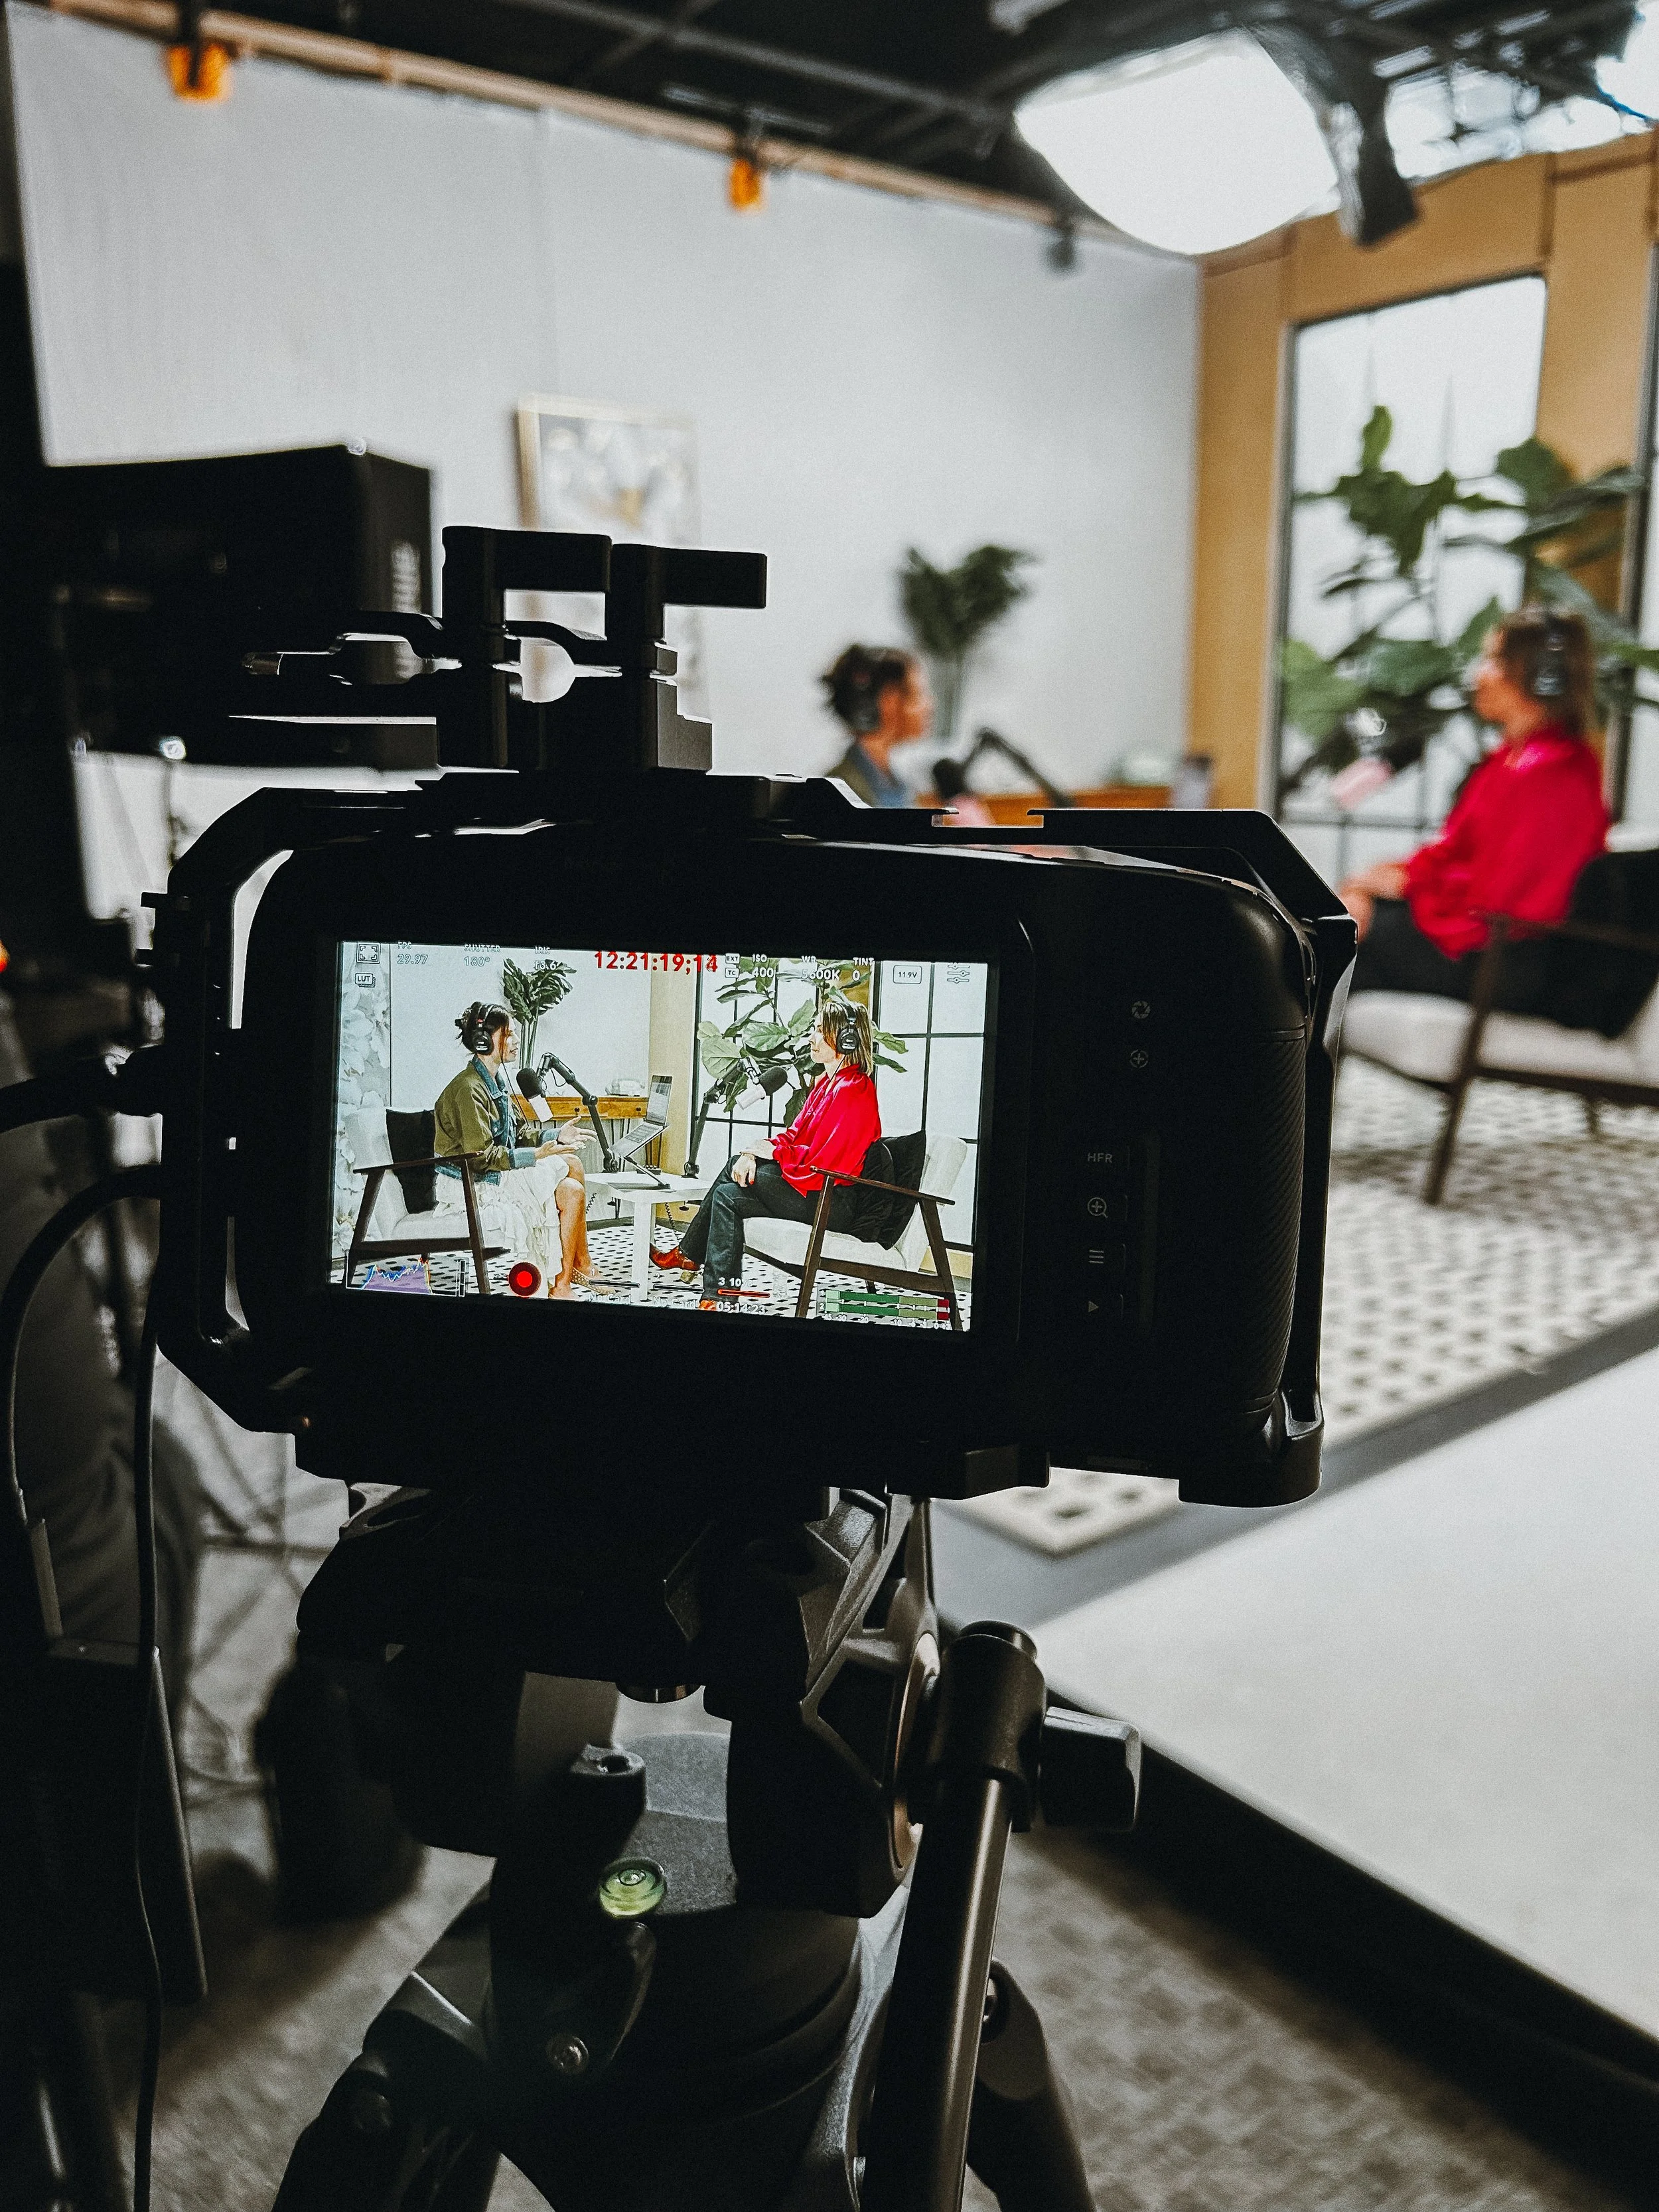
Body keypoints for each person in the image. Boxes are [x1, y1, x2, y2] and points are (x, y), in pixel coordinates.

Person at [1339, 607, 1609, 1012]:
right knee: (1333, 956)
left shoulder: (1557, 775)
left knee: (1333, 948)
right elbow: (1451, 853)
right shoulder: (1506, 762)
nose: (1476, 676)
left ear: (1533, 674)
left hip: (1504, 961)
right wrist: (1378, 882)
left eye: (1494, 661)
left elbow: (1497, 899)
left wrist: (1394, 892)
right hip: (1475, 942)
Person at [652, 997, 882, 1307]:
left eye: (819, 1030)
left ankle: (688, 1255)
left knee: (736, 1167)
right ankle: (718, 1296)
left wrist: (769, 1155)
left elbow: (825, 1160)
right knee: (728, 1197)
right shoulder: (826, 1085)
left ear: (846, 1039)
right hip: (811, 1188)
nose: (811, 1038)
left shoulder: (855, 1090)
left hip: (831, 1199)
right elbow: (793, 1135)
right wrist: (758, 1151)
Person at [434, 1001, 590, 1296]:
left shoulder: (495, 1079)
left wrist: (559, 1134)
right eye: (509, 1034)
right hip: (472, 1182)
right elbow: (481, 1159)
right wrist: (538, 1155)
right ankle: (563, 1284)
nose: (516, 1041)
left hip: (492, 1170)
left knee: (574, 1163)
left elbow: (517, 1132)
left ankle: (579, 1267)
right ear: (484, 1041)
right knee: (572, 1191)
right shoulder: (469, 1088)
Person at [821, 645, 932, 807]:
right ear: (889, 701)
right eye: (918, 694)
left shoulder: (895, 782)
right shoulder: (840, 792)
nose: (929, 707)